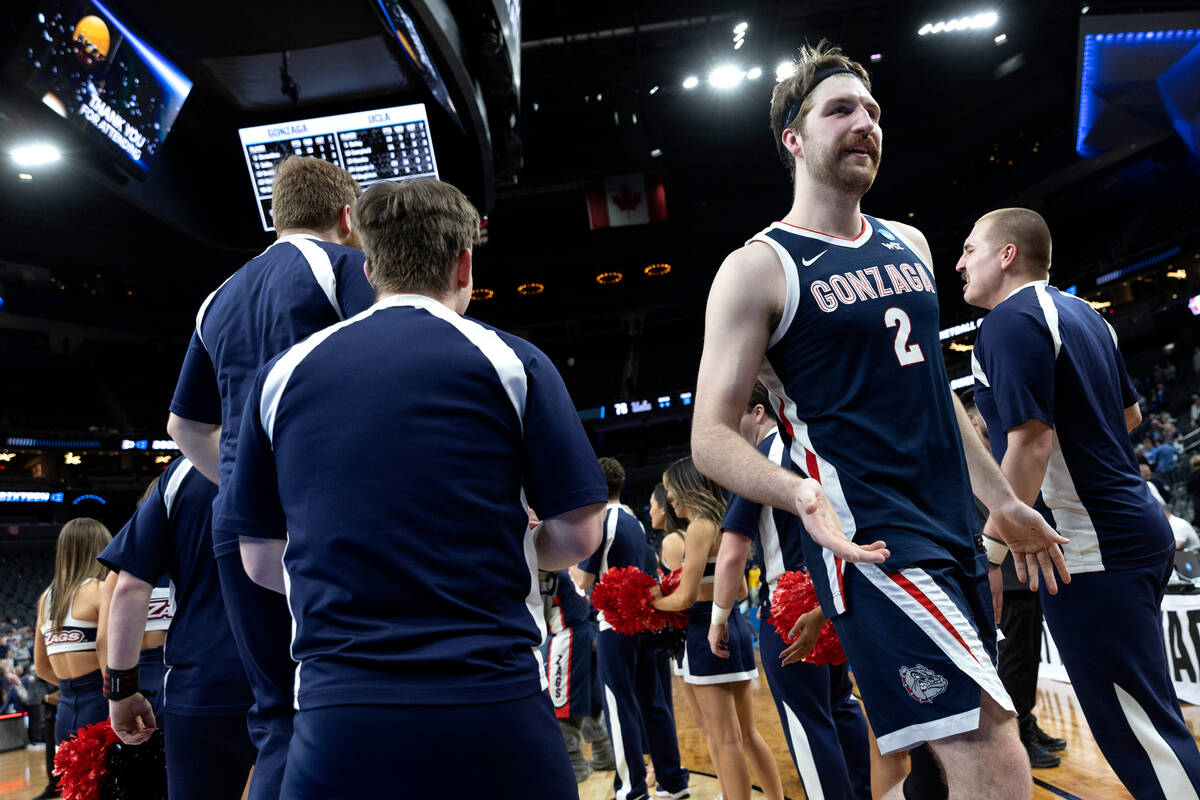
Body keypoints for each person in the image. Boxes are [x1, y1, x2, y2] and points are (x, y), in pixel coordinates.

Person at [689, 40, 1069, 799]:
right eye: (840, 111)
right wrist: (799, 494)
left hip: (954, 533)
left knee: (931, 761)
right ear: (793, 140)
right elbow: (709, 435)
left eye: (872, 111)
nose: (864, 123)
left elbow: (940, 395)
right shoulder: (760, 266)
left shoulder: (912, 243)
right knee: (992, 743)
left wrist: (1000, 500)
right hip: (875, 542)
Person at [214, 177, 608, 799]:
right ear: (465, 263)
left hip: (340, 711)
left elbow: (260, 559)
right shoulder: (513, 361)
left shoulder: (280, 375)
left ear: (368, 268)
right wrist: (507, 555)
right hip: (493, 697)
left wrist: (347, 571)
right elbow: (581, 531)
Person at [959, 206, 1200, 796]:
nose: (959, 262)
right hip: (1135, 525)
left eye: (970, 248)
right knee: (1151, 718)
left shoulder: (1009, 322)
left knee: (1143, 737)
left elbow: (1032, 445)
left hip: (1091, 546)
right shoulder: (1088, 317)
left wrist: (991, 551)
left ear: (1007, 254)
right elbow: (1131, 415)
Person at [166, 155, 375, 800]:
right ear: (347, 217)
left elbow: (184, 427)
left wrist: (240, 486)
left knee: (279, 718)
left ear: (276, 216)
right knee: (363, 699)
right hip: (329, 519)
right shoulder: (345, 269)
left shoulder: (217, 296)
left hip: (239, 529)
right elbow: (384, 368)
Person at [710, 382, 871, 799]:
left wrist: (718, 618)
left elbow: (732, 554)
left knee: (808, 724)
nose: (734, 426)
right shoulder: (814, 445)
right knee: (843, 706)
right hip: (838, 596)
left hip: (790, 607)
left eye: (739, 416)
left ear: (759, 412)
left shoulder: (760, 459)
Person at [98, 458, 256, 800]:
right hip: (290, 678)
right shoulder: (295, 437)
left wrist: (120, 691)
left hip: (199, 685)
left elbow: (129, 589)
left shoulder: (182, 473)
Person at [652, 458, 783, 800]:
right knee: (748, 734)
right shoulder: (722, 523)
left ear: (686, 488)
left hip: (705, 630)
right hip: (733, 625)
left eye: (671, 491)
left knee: (724, 738)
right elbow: (738, 590)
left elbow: (685, 596)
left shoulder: (698, 527)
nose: (670, 500)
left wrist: (650, 602)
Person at [575, 458, 689, 800]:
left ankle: (631, 788)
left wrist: (564, 564)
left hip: (616, 626)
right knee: (653, 703)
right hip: (643, 624)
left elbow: (583, 580)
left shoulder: (602, 522)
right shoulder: (634, 520)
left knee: (619, 704)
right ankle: (673, 781)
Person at [963, 405, 1066, 769]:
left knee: (1026, 659)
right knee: (1012, 662)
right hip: (997, 570)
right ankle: (1016, 734)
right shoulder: (968, 462)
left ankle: (1027, 720)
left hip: (1019, 568)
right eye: (977, 419)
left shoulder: (1001, 459)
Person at [34, 519, 112, 756]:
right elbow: (106, 649)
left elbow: (42, 668)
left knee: (76, 790)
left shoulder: (46, 598)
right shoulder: (100, 590)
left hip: (65, 715)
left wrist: (74, 690)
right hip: (101, 706)